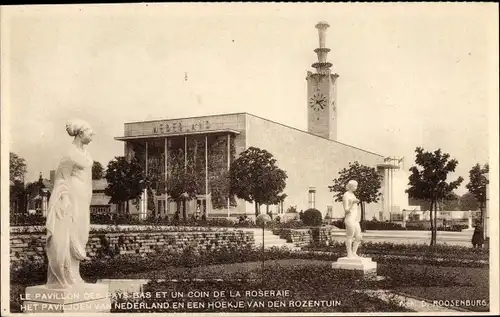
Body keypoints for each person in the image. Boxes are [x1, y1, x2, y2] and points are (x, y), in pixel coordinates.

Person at [45, 119, 94, 288]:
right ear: (80, 134)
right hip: (72, 199)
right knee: (69, 234)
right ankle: (66, 275)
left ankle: (76, 273)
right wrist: (64, 197)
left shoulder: (85, 153)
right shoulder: (70, 153)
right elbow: (60, 178)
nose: (92, 134)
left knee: (81, 234)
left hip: (83, 199)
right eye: (89, 131)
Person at [343, 180, 362, 258]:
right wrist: (352, 203)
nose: (356, 187)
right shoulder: (346, 195)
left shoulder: (353, 195)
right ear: (350, 186)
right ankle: (349, 253)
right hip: (349, 218)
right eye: (355, 186)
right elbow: (346, 210)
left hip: (355, 219)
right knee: (350, 236)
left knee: (359, 237)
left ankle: (354, 252)